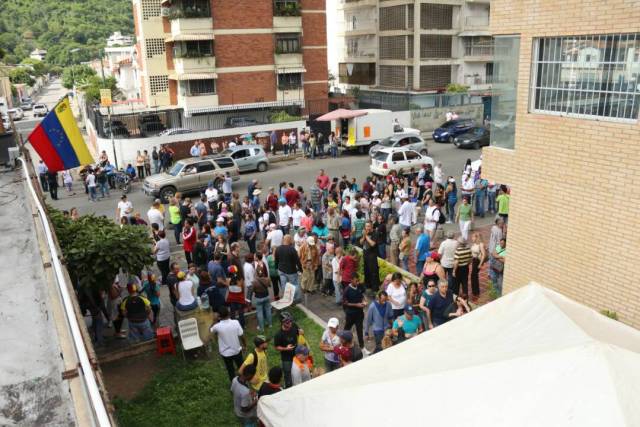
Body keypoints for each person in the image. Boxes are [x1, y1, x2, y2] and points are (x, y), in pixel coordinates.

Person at [211, 306, 246, 381]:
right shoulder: (236, 322)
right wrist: (244, 345)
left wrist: (214, 320)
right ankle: (243, 382)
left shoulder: (217, 326)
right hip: (237, 350)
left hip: (225, 353)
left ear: (219, 316)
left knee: (230, 370)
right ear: (229, 313)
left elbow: (210, 330)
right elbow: (242, 336)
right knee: (241, 367)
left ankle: (234, 385)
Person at [274, 311, 300, 388]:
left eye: (291, 321)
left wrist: (301, 331)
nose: (290, 324)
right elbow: (277, 347)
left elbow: (299, 331)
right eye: (287, 322)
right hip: (286, 358)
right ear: (282, 323)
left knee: (298, 370)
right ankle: (288, 386)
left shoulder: (294, 325)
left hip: (297, 354)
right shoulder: (278, 334)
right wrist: (286, 348)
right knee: (288, 374)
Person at [275, 235, 302, 302]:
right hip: (291, 271)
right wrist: (301, 269)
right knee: (295, 284)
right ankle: (296, 299)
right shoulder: (292, 249)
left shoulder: (278, 248)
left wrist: (276, 268)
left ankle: (287, 298)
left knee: (284, 285)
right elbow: (297, 261)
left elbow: (276, 260)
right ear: (289, 240)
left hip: (281, 270)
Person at [342, 276, 366, 348]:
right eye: (356, 281)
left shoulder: (359, 286)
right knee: (346, 330)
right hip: (350, 314)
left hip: (359, 314)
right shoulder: (347, 290)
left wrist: (364, 301)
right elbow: (345, 303)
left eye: (358, 281)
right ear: (351, 280)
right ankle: (343, 344)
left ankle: (362, 347)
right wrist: (356, 305)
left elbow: (362, 295)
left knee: (360, 330)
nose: (357, 282)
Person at [252, 256, 272, 331]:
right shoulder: (267, 279)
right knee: (268, 310)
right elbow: (269, 285)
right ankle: (270, 324)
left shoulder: (254, 282)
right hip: (266, 296)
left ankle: (261, 328)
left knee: (259, 313)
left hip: (258, 298)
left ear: (256, 272)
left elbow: (253, 290)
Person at [361, 221, 380, 291]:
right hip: (365, 254)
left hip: (372, 255)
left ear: (372, 226)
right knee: (366, 271)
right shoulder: (365, 233)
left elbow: (372, 244)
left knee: (373, 272)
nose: (367, 228)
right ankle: (367, 285)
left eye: (368, 226)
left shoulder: (375, 233)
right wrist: (364, 236)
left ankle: (375, 288)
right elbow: (361, 242)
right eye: (366, 226)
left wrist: (366, 236)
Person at [470, 232, 487, 300]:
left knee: (474, 276)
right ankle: (475, 291)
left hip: (477, 261)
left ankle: (476, 291)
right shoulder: (474, 244)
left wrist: (480, 264)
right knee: (474, 276)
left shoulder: (481, 244)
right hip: (474, 260)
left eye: (473, 237)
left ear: (476, 237)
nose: (472, 238)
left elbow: (484, 255)